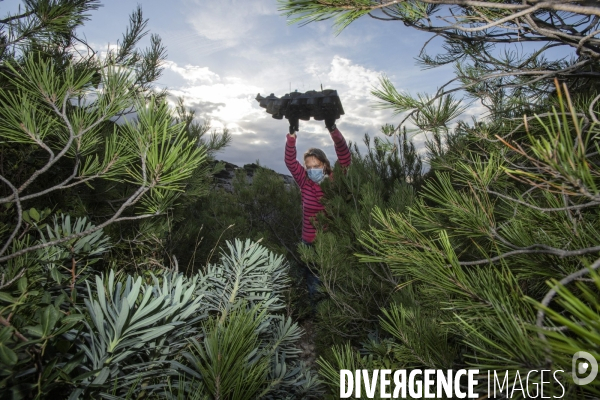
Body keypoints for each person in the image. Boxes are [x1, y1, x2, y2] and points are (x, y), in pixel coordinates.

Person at [284, 114, 351, 306]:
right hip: (308, 245)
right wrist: (291, 135)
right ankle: (320, 321)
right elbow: (290, 161)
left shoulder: (334, 180)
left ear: (324, 165)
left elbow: (345, 158)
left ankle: (337, 316)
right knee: (314, 286)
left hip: (330, 243)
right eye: (309, 166)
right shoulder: (304, 182)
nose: (313, 169)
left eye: (317, 165)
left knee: (333, 282)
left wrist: (332, 129)